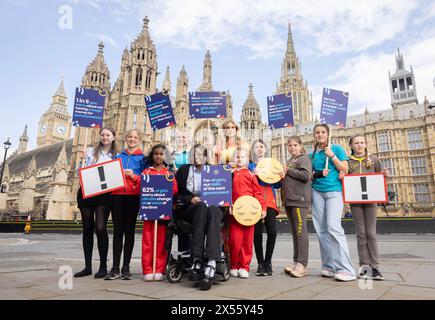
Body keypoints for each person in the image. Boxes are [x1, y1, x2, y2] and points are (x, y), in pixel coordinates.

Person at [174, 144, 224, 290]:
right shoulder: (183, 171)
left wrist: (227, 172)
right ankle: (197, 258)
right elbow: (176, 195)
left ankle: (212, 261)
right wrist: (190, 199)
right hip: (190, 209)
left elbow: (225, 188)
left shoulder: (214, 171)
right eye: (195, 154)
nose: (198, 157)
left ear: (206, 156)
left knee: (213, 209)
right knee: (201, 206)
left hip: (212, 209)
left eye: (201, 154)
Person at [310, 124, 356, 282]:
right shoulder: (312, 154)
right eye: (317, 132)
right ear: (314, 135)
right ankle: (329, 265)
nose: (320, 134)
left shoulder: (336, 149)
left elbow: (345, 168)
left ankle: (346, 269)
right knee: (321, 230)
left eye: (323, 132)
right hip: (317, 192)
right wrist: (316, 174)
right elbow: (309, 175)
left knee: (333, 228)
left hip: (334, 192)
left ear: (328, 134)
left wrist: (332, 156)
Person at [74, 127, 119, 278]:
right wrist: (80, 164)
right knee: (87, 227)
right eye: (103, 135)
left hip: (104, 195)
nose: (105, 137)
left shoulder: (116, 156)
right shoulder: (89, 152)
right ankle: (87, 267)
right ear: (99, 136)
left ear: (113, 137)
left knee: (100, 227)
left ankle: (103, 266)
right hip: (87, 192)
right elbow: (79, 171)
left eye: (108, 135)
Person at [342, 134, 385, 281]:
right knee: (361, 234)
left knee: (371, 234)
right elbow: (344, 177)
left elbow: (381, 177)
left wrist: (386, 175)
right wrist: (342, 176)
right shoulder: (348, 162)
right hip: (355, 201)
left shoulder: (374, 160)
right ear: (351, 146)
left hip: (371, 201)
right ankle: (364, 267)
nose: (359, 145)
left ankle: (375, 267)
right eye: (356, 143)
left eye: (362, 143)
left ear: (366, 144)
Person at [105, 129, 145, 281]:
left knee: (129, 232)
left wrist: (133, 176)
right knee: (117, 232)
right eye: (130, 137)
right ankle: (115, 267)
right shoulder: (117, 157)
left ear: (139, 139)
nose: (132, 139)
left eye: (135, 137)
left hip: (132, 197)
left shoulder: (143, 158)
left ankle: (126, 267)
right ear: (125, 139)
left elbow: (146, 179)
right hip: (116, 196)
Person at [141, 144, 178, 281]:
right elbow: (141, 186)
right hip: (149, 211)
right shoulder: (146, 173)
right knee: (148, 240)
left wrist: (164, 187)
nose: (158, 156)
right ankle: (148, 269)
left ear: (165, 156)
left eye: (161, 154)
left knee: (161, 242)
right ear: (152, 155)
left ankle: (159, 269)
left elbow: (174, 189)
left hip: (163, 211)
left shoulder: (168, 174)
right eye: (156, 154)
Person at [229, 148, 266, 279]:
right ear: (233, 159)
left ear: (247, 159)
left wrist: (262, 207)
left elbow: (257, 192)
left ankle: (244, 266)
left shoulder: (250, 175)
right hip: (235, 213)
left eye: (242, 157)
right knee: (234, 240)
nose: (239, 159)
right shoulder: (230, 174)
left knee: (247, 241)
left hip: (250, 213)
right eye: (237, 157)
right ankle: (233, 265)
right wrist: (228, 205)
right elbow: (225, 192)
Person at [249, 139, 282, 276]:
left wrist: (280, 177)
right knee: (256, 234)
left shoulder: (271, 165)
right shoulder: (250, 166)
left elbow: (277, 185)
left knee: (272, 232)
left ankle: (268, 261)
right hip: (254, 200)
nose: (260, 149)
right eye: (257, 147)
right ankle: (260, 263)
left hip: (269, 200)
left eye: (262, 147)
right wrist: (253, 174)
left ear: (265, 149)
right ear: (253, 150)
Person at [282, 136, 312, 278]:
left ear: (300, 146)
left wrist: (288, 171)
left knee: (301, 231)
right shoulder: (290, 161)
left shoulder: (303, 158)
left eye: (295, 145)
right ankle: (296, 261)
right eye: (290, 146)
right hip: (290, 200)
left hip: (299, 199)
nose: (292, 148)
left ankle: (303, 264)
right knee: (295, 232)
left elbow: (306, 176)